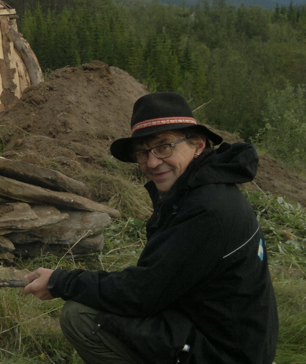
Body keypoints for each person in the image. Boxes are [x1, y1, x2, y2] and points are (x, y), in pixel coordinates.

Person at [22, 92, 278, 364]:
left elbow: (142, 293)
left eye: (164, 147)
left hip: (224, 352)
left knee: (80, 316)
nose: (153, 162)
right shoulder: (198, 192)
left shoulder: (207, 209)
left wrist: (61, 281)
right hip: (223, 334)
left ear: (198, 145)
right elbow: (156, 280)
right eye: (143, 152)